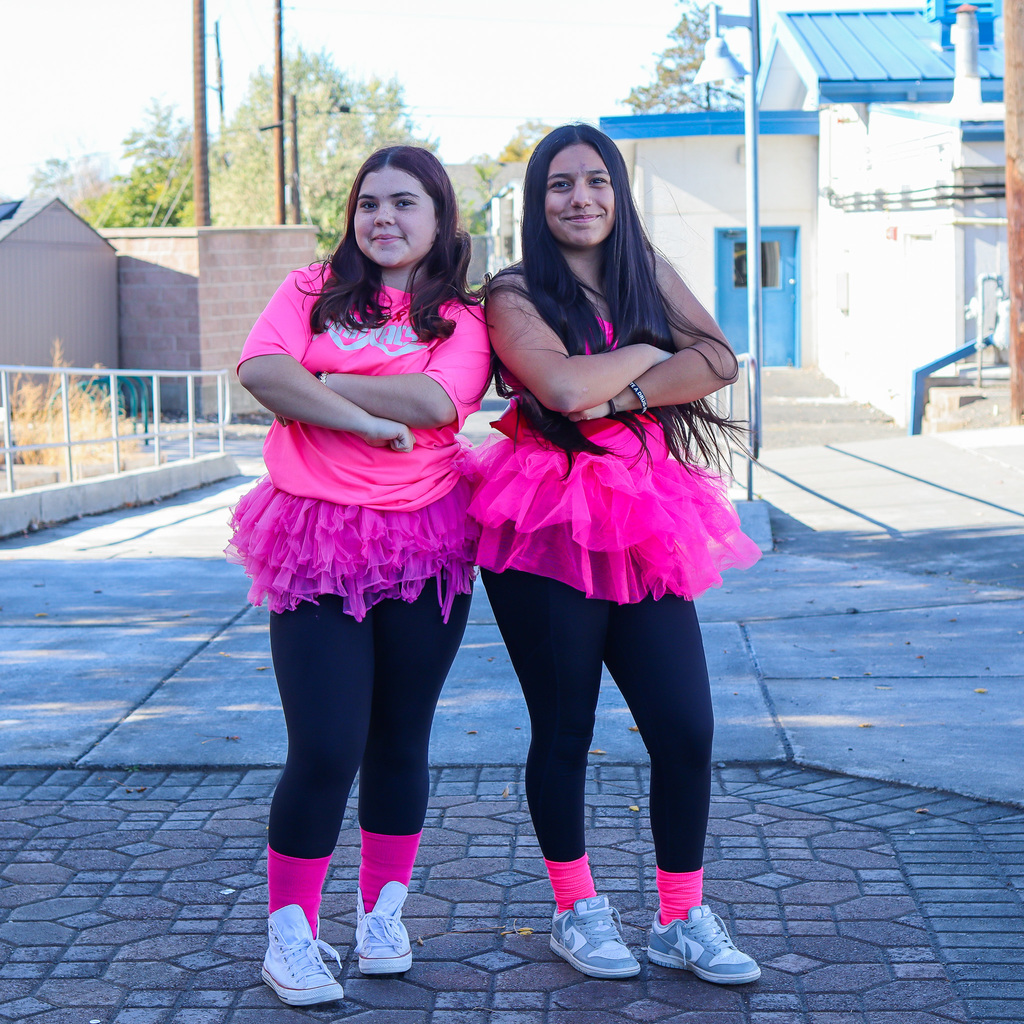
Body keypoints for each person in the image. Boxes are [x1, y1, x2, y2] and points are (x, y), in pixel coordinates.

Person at [467, 124, 763, 985]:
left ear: (617, 192)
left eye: (596, 181)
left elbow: (718, 359)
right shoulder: (514, 292)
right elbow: (559, 389)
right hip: (542, 522)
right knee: (566, 728)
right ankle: (576, 908)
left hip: (646, 518)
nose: (580, 198)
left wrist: (628, 390)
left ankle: (681, 918)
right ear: (538, 200)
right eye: (560, 185)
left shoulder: (647, 270)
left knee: (686, 726)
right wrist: (648, 349)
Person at [226, 146, 490, 1006]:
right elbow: (263, 372)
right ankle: (290, 935)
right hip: (313, 539)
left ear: (439, 218)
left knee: (399, 738)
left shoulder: (462, 315)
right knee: (328, 743)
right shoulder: (307, 290)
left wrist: (324, 378)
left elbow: (439, 405)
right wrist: (363, 419)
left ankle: (383, 916)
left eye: (404, 203)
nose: (383, 218)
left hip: (426, 540)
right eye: (368, 203)